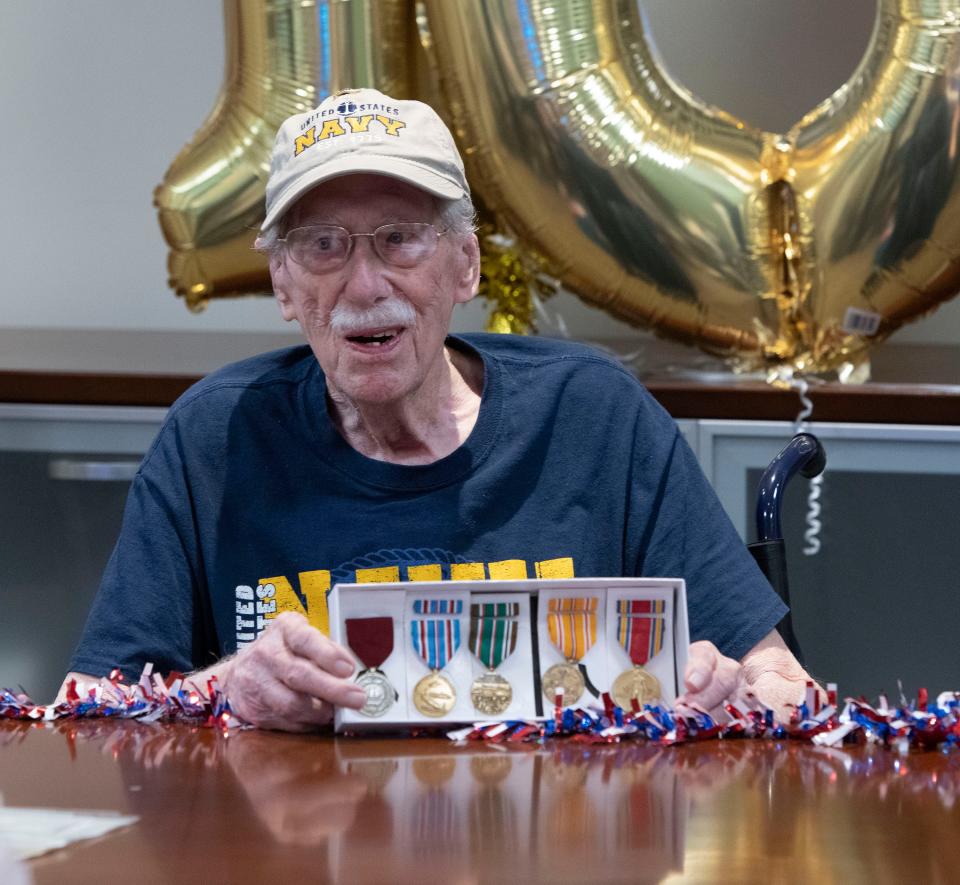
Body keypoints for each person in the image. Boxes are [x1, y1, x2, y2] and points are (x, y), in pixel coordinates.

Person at [62, 88, 813, 730]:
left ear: (466, 263)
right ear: (283, 284)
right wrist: (228, 686)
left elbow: (780, 681)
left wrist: (732, 694)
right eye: (323, 245)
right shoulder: (214, 437)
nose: (364, 284)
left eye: (400, 238)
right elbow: (90, 715)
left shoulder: (593, 416)